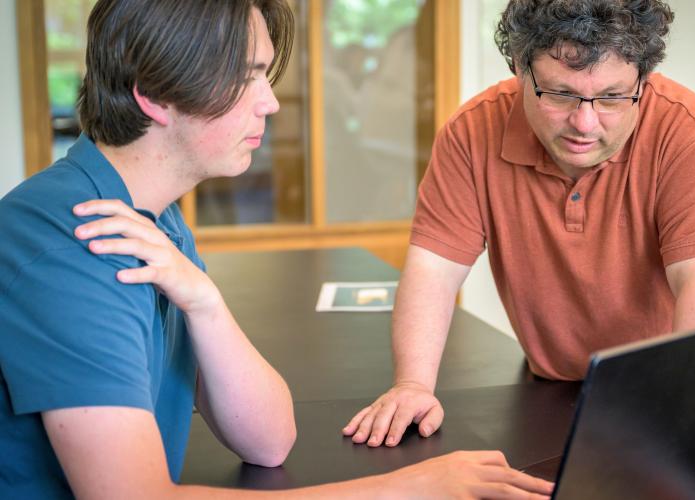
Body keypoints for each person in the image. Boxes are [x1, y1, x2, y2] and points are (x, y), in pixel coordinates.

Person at [0, 1, 553, 498]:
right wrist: (407, 489)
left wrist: (204, 301)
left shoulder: (151, 216)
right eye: (248, 77)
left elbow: (270, 440)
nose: (270, 103)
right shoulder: (74, 243)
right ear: (155, 94)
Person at [344, 0, 695, 448]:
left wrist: (686, 409)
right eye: (560, 94)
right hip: (555, 387)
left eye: (613, 97)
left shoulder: (693, 137)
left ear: (643, 78)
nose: (585, 123)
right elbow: (433, 271)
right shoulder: (472, 132)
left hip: (687, 385)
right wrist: (413, 386)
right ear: (520, 68)